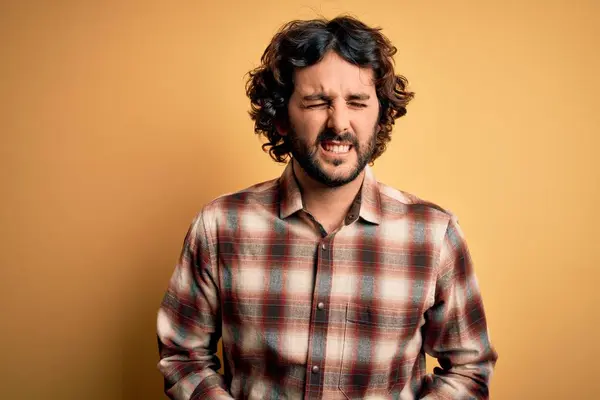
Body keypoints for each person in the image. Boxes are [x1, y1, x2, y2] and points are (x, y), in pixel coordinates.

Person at [156, 15, 498, 400]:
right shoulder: (219, 226)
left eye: (357, 102)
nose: (339, 123)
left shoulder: (434, 235)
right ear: (282, 117)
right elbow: (182, 356)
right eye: (318, 102)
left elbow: (469, 368)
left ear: (380, 114)